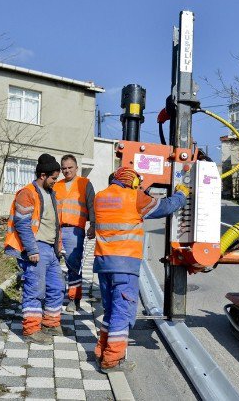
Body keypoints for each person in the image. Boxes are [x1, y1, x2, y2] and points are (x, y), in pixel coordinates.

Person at [94, 167, 190, 373]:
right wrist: (182, 194)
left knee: (110, 310)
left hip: (103, 265)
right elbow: (164, 206)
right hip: (125, 265)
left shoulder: (101, 197)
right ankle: (112, 360)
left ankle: (102, 350)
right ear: (133, 183)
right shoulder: (134, 197)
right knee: (123, 311)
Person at [4, 154, 64, 345]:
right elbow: (22, 224)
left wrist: (58, 249)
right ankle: (31, 330)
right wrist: (32, 250)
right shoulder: (27, 193)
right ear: (43, 175)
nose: (56, 182)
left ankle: (50, 323)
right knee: (35, 289)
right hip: (37, 247)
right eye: (54, 178)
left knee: (57, 287)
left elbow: (54, 224)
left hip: (50, 250)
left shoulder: (51, 194)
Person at [54, 154, 95, 313]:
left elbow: (92, 205)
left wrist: (93, 225)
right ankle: (56, 296)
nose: (66, 171)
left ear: (77, 168)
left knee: (73, 265)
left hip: (75, 230)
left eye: (70, 167)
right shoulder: (57, 185)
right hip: (56, 230)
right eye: (64, 168)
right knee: (53, 265)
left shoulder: (85, 184)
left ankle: (74, 299)